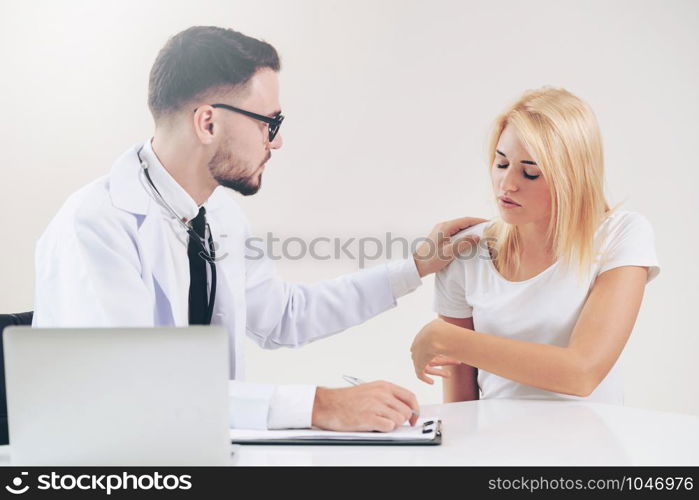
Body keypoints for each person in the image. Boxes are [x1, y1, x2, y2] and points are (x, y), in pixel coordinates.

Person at [32, 26, 483, 432]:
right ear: (207, 121)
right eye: (270, 122)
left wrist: (416, 267)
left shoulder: (215, 213)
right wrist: (319, 406)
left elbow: (284, 316)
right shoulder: (95, 226)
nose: (278, 140)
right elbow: (131, 392)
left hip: (198, 452)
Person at [410, 87, 660, 404]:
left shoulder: (621, 235)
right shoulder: (465, 249)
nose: (507, 184)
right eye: (501, 164)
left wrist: (448, 340)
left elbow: (582, 373)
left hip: (591, 448)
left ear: (572, 177)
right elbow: (461, 406)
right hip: (496, 445)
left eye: (531, 173)